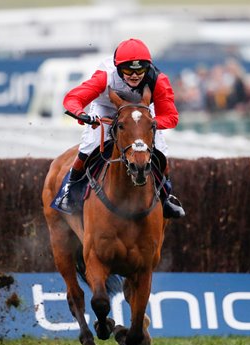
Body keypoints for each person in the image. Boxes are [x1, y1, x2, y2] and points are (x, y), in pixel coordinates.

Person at [61, 38, 185, 218]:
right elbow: (73, 98)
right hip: (107, 107)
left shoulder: (158, 80)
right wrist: (82, 114)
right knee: (89, 146)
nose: (134, 76)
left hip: (141, 110)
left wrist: (147, 124)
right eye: (128, 70)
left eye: (140, 70)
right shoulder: (104, 76)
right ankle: (70, 189)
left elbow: (171, 117)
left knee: (162, 152)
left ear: (147, 68)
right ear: (117, 68)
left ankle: (166, 197)